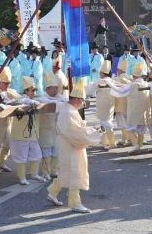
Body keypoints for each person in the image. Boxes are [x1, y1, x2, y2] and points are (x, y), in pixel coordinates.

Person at [45, 79, 101, 214]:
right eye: (82, 100)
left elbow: (78, 128)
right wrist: (93, 133)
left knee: (66, 171)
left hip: (68, 145)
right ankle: (75, 203)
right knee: (75, 172)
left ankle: (52, 192)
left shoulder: (69, 109)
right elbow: (76, 133)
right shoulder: (69, 112)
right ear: (76, 99)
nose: (83, 103)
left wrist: (91, 130)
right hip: (70, 146)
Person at [9, 76, 47, 185]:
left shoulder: (35, 100)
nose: (34, 92)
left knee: (37, 154)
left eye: (35, 90)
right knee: (21, 156)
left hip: (32, 134)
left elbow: (44, 100)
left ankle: (34, 174)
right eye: (32, 90)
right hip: (20, 134)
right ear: (26, 91)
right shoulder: (20, 99)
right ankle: (22, 177)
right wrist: (29, 101)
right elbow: (21, 101)